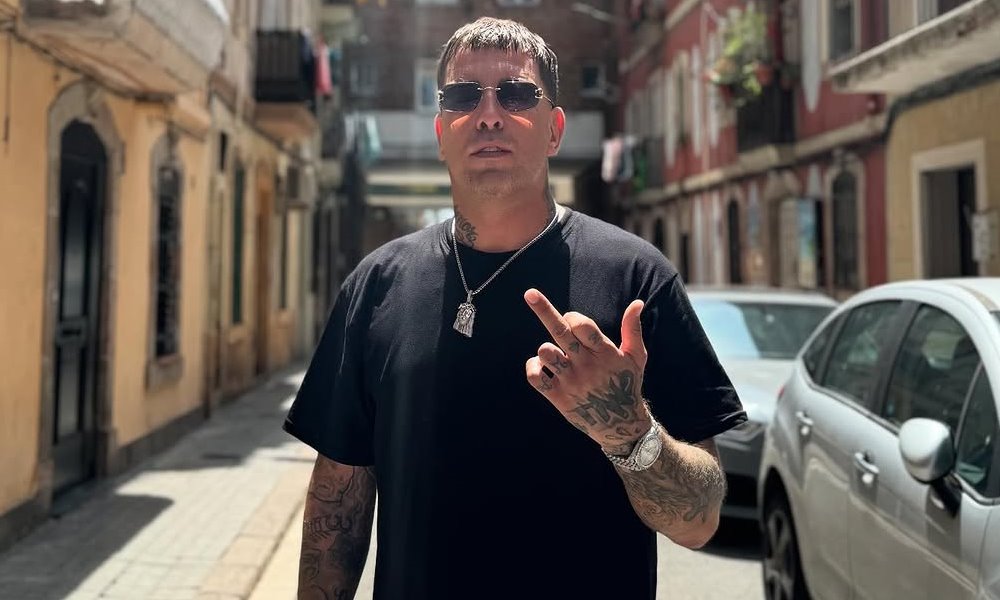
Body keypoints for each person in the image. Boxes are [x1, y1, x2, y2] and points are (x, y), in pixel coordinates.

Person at [284, 17, 746, 600]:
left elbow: (699, 522)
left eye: (517, 94)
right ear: (441, 132)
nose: (489, 114)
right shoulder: (375, 286)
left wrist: (629, 431)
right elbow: (338, 503)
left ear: (555, 130)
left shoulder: (637, 279)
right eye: (462, 96)